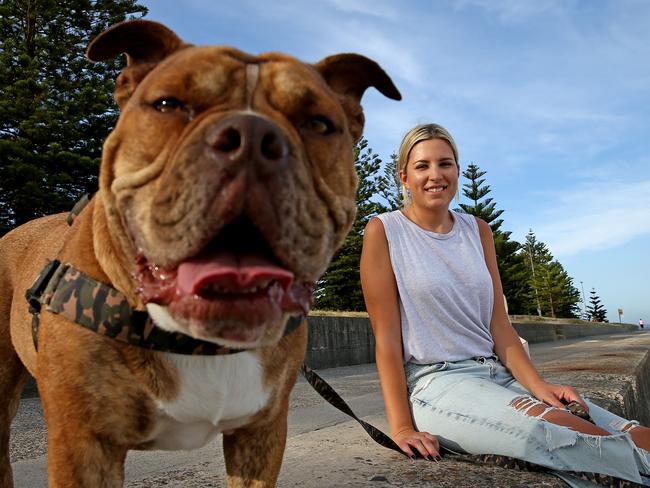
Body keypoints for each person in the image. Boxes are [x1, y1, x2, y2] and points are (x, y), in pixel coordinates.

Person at [360, 123, 650, 486]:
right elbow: (386, 340)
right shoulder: (384, 231)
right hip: (438, 384)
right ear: (404, 176)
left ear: (457, 171)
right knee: (575, 436)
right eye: (422, 166)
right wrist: (401, 426)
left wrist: (538, 385)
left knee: (636, 436)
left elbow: (499, 325)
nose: (435, 175)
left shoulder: (478, 230)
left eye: (445, 164)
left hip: (498, 374)